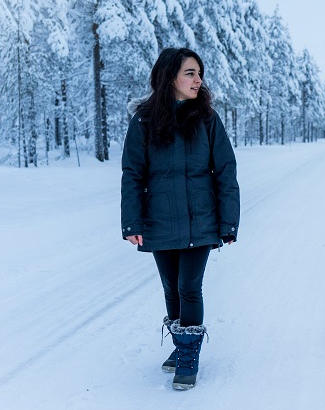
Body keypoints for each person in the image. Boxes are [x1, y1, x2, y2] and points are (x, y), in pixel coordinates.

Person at [121, 48, 240, 390]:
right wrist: (133, 221)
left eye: (199, 73)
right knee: (171, 288)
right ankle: (181, 345)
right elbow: (133, 173)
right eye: (190, 72)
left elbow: (226, 170)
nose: (198, 79)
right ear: (170, 75)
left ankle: (188, 357)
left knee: (189, 287)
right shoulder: (144, 120)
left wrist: (228, 220)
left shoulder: (206, 119)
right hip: (159, 221)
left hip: (199, 221)